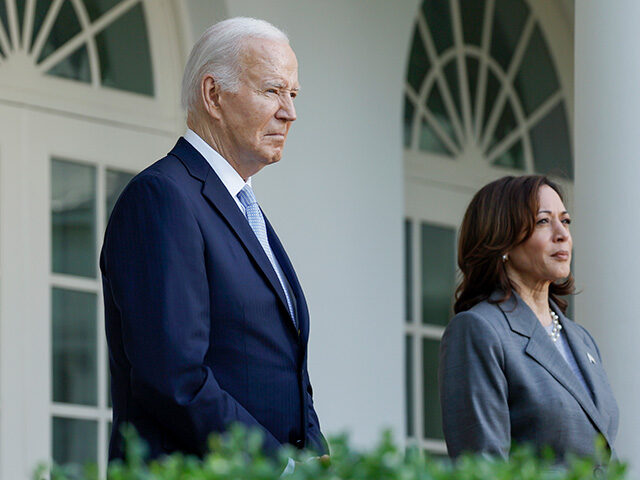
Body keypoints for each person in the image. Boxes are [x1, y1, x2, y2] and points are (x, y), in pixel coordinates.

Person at [100, 17, 327, 461]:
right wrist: (278, 467)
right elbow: (173, 377)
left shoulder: (242, 205)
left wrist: (316, 461)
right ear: (213, 95)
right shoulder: (163, 197)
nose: (290, 111)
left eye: (293, 94)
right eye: (272, 91)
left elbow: (289, 376)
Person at [439, 175, 618, 461]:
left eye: (566, 221)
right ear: (502, 240)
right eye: (543, 222)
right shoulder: (479, 329)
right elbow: (482, 466)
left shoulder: (582, 340)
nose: (562, 234)